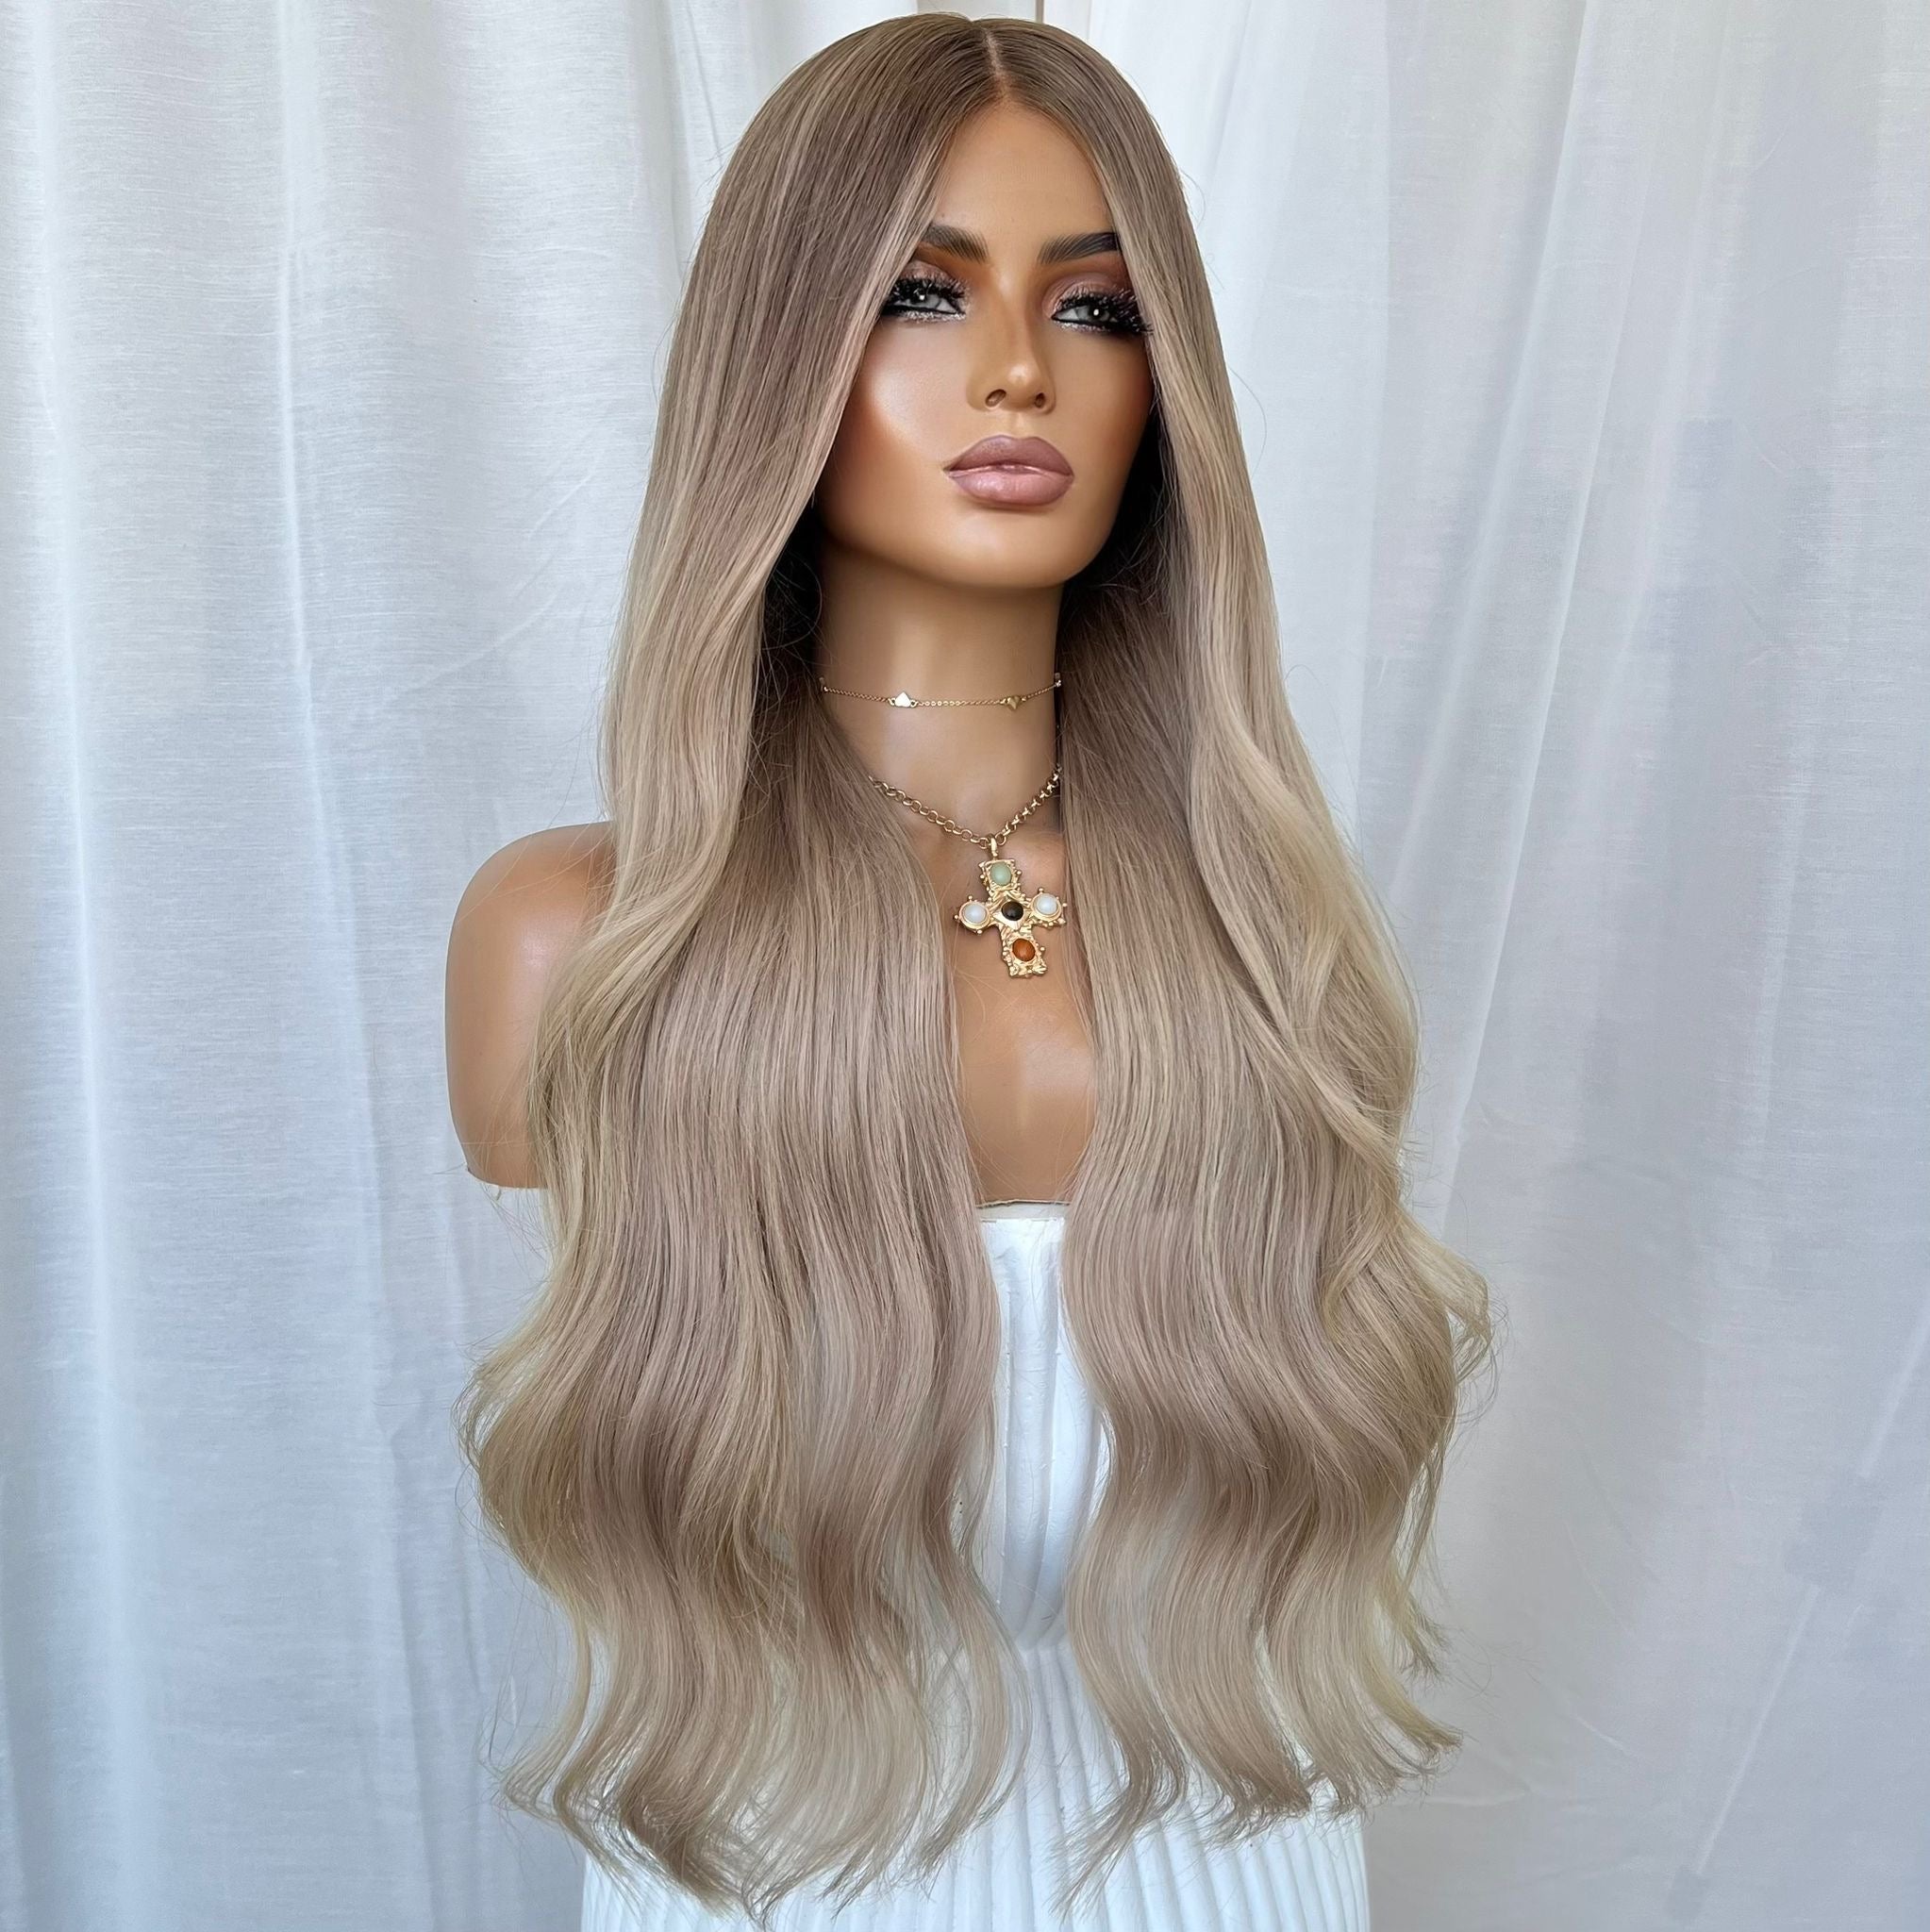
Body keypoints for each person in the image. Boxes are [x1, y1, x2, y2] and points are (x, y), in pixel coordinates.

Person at [443, 15, 1492, 1929]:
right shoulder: (580, 938)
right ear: (781, 355)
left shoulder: (1264, 935)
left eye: (1096, 310)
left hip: (1232, 1869)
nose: (1019, 368)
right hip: (770, 1874)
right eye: (924, 293)